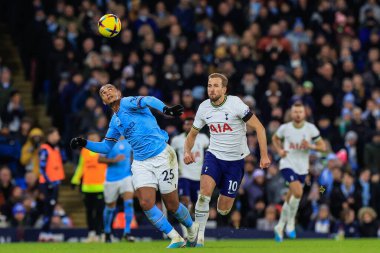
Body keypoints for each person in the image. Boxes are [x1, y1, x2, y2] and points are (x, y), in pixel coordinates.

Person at [70, 84, 198, 248]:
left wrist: (166, 110)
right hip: (141, 163)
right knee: (145, 203)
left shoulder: (127, 102)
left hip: (162, 155)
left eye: (110, 89)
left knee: (172, 204)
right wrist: (84, 143)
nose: (107, 92)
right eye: (103, 92)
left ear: (118, 93)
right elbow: (106, 147)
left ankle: (191, 227)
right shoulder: (114, 122)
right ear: (102, 101)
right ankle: (175, 237)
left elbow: (148, 99)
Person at [184, 73, 271, 247]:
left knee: (223, 210)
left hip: (235, 162)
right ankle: (198, 236)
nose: (212, 89)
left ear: (224, 89)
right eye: (209, 85)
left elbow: (260, 128)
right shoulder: (203, 107)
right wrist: (187, 151)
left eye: (216, 86)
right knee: (203, 195)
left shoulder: (236, 104)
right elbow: (193, 133)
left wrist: (264, 155)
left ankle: (219, 204)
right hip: (214, 156)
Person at [272, 102, 326, 242]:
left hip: (302, 167)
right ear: (291, 113)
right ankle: (290, 224)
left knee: (290, 198)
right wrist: (279, 150)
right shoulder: (285, 128)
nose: (297, 114)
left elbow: (323, 146)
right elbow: (275, 138)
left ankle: (279, 226)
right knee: (298, 193)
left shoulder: (310, 128)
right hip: (287, 164)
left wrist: (311, 146)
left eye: (300, 112)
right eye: (295, 111)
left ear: (304, 113)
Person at [171, 117, 209, 239]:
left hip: (199, 177)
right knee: (185, 201)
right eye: (186, 124)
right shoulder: (177, 140)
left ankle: (193, 228)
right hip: (184, 176)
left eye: (191, 124)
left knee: (197, 206)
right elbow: (172, 155)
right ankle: (186, 234)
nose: (189, 126)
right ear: (183, 126)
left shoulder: (203, 139)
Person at [71, 131, 107, 242]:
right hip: (87, 187)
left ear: (98, 139)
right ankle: (91, 233)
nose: (92, 140)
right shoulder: (84, 152)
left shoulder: (103, 151)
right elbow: (80, 167)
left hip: (101, 186)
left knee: (100, 212)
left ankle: (100, 233)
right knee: (89, 212)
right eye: (90, 138)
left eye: (94, 138)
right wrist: (75, 180)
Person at [98, 138, 135, 243]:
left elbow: (132, 156)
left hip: (126, 177)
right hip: (111, 179)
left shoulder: (129, 140)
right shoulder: (107, 141)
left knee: (129, 203)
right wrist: (113, 160)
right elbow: (100, 159)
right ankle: (107, 231)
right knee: (110, 207)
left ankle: (127, 232)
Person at [38, 127, 65, 242]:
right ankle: (44, 232)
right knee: (48, 208)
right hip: (48, 183)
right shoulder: (45, 149)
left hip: (55, 183)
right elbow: (42, 168)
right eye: (56, 134)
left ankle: (46, 232)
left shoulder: (56, 149)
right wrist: (49, 182)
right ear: (50, 136)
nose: (58, 137)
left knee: (51, 208)